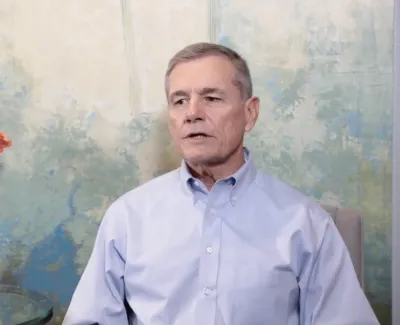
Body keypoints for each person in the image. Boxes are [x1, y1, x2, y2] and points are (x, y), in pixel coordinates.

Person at [64, 42, 380, 325]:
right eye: (179, 101)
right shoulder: (128, 217)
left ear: (250, 113)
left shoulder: (306, 224)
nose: (192, 114)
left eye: (211, 98)